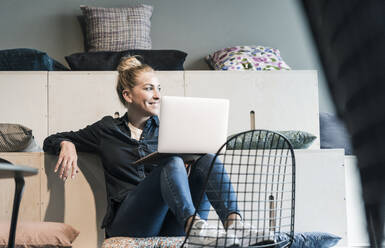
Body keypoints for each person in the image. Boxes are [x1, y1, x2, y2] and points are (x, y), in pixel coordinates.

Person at [43, 56, 262, 247]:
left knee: (208, 159)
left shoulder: (170, 125)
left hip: (173, 218)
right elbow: (51, 139)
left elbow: (196, 167)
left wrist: (192, 160)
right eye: (149, 88)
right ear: (128, 95)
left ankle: (235, 224)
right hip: (131, 220)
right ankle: (194, 226)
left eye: (159, 88)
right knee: (172, 162)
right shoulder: (106, 130)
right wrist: (67, 143)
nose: (157, 95)